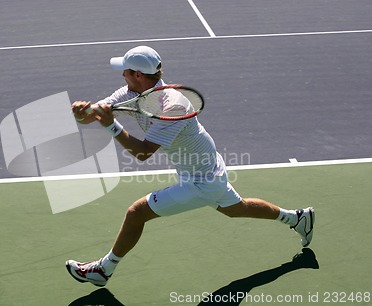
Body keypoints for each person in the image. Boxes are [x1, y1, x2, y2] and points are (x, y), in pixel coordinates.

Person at [66, 46, 315, 287]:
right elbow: (93, 115)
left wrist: (110, 125)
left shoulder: (173, 106)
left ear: (138, 75)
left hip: (203, 179)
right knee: (236, 208)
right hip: (202, 167)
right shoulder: (130, 92)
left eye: (126, 71)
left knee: (136, 214)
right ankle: (297, 218)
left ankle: (103, 270)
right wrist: (81, 112)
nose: (122, 74)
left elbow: (142, 153)